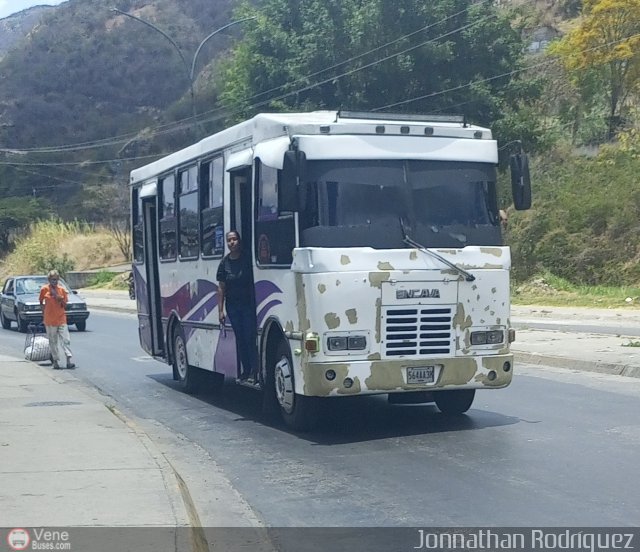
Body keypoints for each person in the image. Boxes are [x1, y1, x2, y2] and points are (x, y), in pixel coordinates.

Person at [216, 230, 258, 381]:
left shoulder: (247, 259)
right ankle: (245, 370)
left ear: (239, 241)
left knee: (249, 337)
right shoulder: (224, 263)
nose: (232, 242)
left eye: (234, 239)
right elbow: (221, 287)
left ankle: (255, 370)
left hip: (248, 305)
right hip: (232, 307)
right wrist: (220, 310)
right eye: (229, 240)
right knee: (240, 338)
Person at [38, 269, 75, 370]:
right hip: (49, 320)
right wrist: (43, 313)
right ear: (49, 280)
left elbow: (65, 305)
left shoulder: (62, 290)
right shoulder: (44, 289)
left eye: (56, 279)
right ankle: (55, 361)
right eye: (52, 280)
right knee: (53, 341)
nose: (54, 281)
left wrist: (60, 299)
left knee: (66, 340)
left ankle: (68, 360)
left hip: (61, 319)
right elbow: (41, 301)